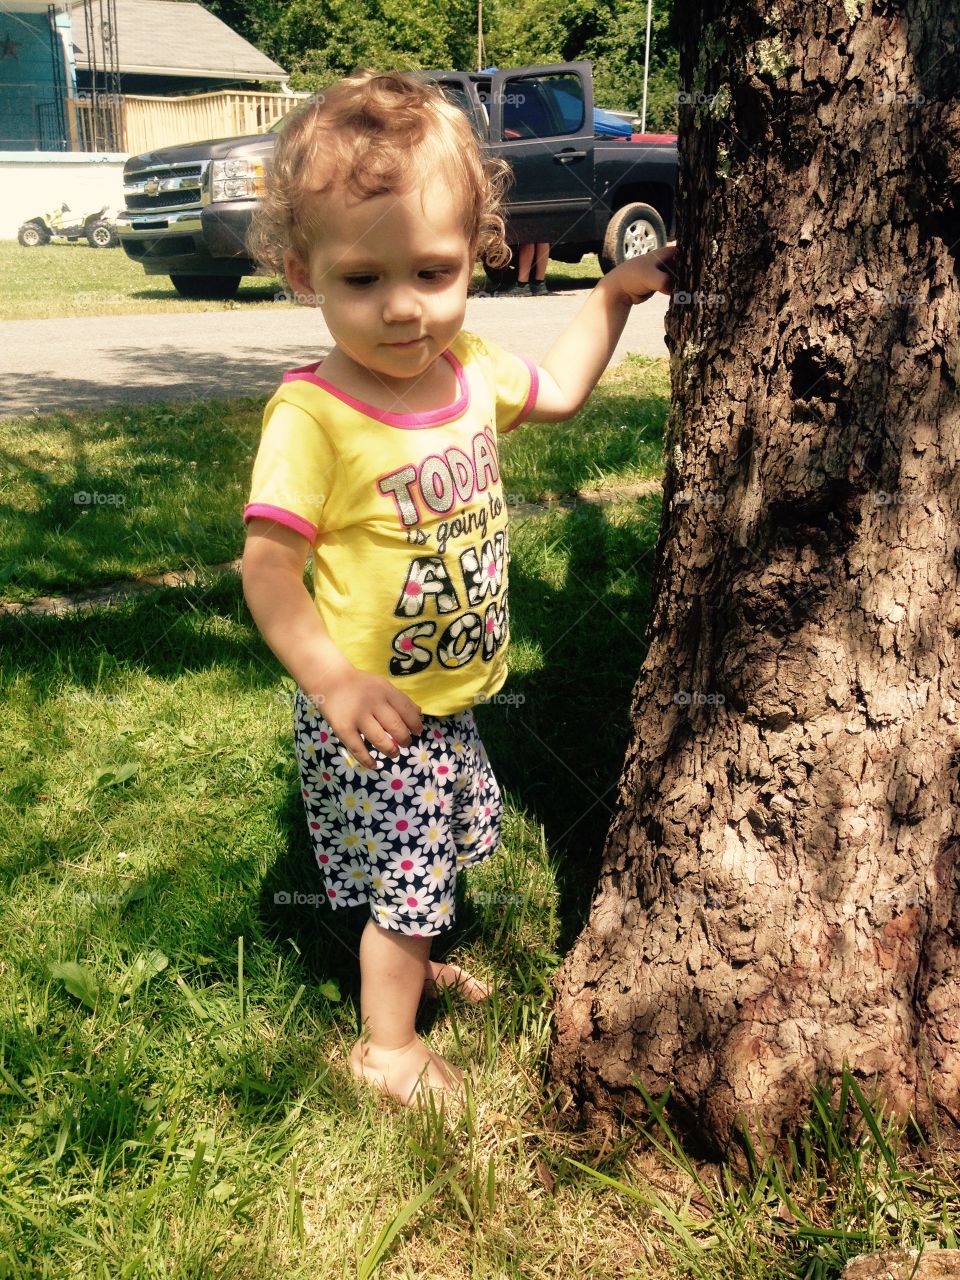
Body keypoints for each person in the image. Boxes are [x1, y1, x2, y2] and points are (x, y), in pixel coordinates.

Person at [241, 70, 676, 1111]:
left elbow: (562, 391)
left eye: (432, 271)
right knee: (406, 874)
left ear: (476, 250)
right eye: (361, 280)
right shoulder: (313, 416)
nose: (402, 308)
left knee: (420, 858)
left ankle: (412, 958)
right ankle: (386, 1047)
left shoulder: (470, 369)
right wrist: (335, 681)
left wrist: (611, 297)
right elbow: (267, 569)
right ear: (304, 273)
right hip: (374, 709)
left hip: (448, 697)